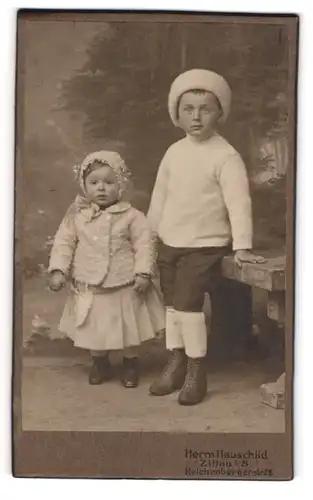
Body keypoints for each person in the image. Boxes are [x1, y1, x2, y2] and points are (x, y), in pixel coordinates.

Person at [147, 69, 265, 406]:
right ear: (177, 113)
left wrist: (242, 245)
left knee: (188, 307)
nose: (196, 116)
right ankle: (177, 362)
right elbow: (160, 197)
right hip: (171, 241)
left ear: (219, 113)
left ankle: (197, 369)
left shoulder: (224, 156)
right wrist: (149, 236)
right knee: (172, 307)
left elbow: (238, 203)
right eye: (188, 108)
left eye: (205, 108)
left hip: (205, 244)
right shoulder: (174, 152)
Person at [48, 150, 165, 388]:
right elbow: (64, 242)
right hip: (90, 283)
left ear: (120, 185)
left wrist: (143, 272)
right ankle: (99, 363)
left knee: (129, 328)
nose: (101, 188)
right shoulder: (77, 216)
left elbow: (145, 244)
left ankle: (130, 362)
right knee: (95, 327)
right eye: (94, 183)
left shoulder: (132, 216)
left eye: (109, 182)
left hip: (124, 282)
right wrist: (59, 269)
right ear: (84, 185)